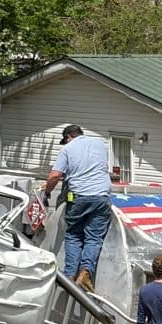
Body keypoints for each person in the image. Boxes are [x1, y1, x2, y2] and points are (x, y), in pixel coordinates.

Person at [43, 124, 112, 293]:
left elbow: (55, 175)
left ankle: (69, 275)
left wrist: (47, 191)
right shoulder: (101, 145)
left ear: (68, 137)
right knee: (94, 238)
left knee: (73, 234)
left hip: (79, 197)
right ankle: (86, 273)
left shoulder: (68, 148)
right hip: (101, 197)